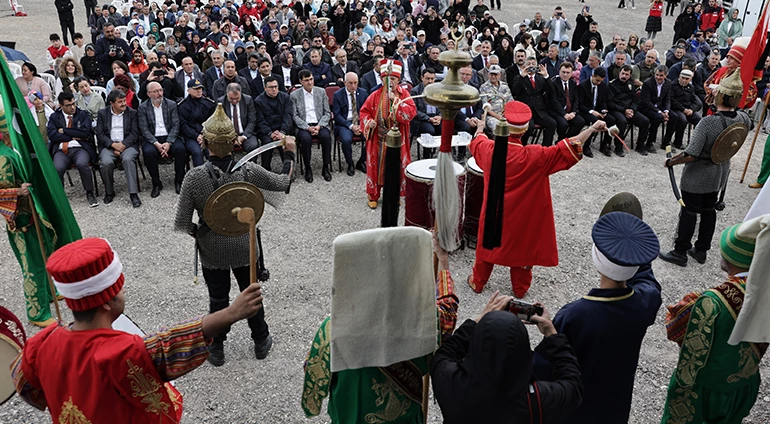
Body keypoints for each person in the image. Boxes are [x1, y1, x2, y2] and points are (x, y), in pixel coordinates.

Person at [10, 237, 265, 422]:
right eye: (118, 286)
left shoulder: (40, 344)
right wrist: (232, 313)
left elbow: (26, 387)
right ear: (109, 300)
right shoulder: (122, 352)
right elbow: (168, 346)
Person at [175, 104, 296, 366]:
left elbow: (183, 223)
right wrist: (290, 154)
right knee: (250, 292)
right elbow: (283, 183)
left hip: (212, 248)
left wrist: (203, 232)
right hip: (245, 244)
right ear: (233, 143)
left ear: (205, 142)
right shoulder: (249, 171)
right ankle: (261, 340)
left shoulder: (194, 177)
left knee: (218, 298)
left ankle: (216, 348)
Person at [302, 227, 460, 422]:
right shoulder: (420, 320)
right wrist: (442, 259)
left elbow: (313, 380)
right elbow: (448, 312)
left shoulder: (331, 330)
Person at [533, 208, 662, 424]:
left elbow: (543, 367)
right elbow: (648, 283)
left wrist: (549, 332)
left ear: (596, 257)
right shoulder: (645, 302)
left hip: (577, 408)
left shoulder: (574, 314)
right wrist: (633, 247)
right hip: (615, 406)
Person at [468, 100, 604, 298]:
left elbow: (478, 140)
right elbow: (570, 145)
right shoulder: (536, 156)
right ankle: (520, 288)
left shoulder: (489, 150)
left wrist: (480, 128)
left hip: (494, 212)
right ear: (524, 130)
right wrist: (591, 128)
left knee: (486, 245)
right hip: (523, 217)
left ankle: (478, 282)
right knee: (523, 246)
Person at [660, 222, 765, 423]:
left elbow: (686, 355)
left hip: (705, 393)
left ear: (732, 258)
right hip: (744, 386)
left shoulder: (713, 301)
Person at [430, 297, 583, 423]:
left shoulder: (450, 382)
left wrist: (478, 320)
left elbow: (444, 353)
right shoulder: (538, 399)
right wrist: (550, 332)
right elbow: (573, 384)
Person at [660, 69, 751, 266]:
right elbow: (746, 128)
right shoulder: (743, 119)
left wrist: (671, 161)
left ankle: (680, 251)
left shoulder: (708, 123)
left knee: (689, 212)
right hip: (719, 174)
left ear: (724, 96)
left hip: (698, 176)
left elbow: (691, 154)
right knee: (709, 210)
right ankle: (701, 250)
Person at [359, 59, 416, 209]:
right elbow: (364, 112)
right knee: (377, 168)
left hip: (398, 140)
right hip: (379, 138)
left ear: (398, 80)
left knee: (395, 168)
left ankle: (394, 195)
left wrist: (396, 101)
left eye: (393, 79)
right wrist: (369, 121)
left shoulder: (404, 94)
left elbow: (411, 113)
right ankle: (373, 195)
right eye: (386, 78)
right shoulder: (374, 95)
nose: (390, 82)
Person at [96, 90, 141, 207]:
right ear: (112, 103)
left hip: (127, 145)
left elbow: (135, 133)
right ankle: (109, 192)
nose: (124, 104)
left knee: (127, 160)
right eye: (120, 102)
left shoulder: (132, 113)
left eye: (124, 100)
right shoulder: (102, 113)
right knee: (105, 163)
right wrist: (113, 145)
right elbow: (100, 134)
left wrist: (122, 145)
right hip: (109, 145)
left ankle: (133, 193)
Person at [138, 81, 180, 198]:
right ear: (148, 94)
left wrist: (169, 142)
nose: (160, 93)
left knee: (180, 149)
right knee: (148, 152)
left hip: (169, 136)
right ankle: (156, 183)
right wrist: (156, 143)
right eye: (156, 91)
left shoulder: (171, 104)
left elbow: (176, 125)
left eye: (161, 90)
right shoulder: (143, 107)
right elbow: (144, 129)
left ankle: (179, 180)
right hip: (153, 138)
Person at [291, 70, 332, 183]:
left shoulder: (321, 92)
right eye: (306, 80)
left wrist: (319, 125)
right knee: (305, 139)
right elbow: (295, 116)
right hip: (304, 126)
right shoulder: (294, 95)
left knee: (326, 137)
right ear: (301, 81)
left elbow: (327, 112)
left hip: (319, 124)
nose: (309, 82)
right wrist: (307, 127)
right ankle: (308, 167)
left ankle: (326, 167)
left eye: (311, 79)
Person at [176, 79, 216, 194]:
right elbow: (183, 126)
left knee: (212, 151)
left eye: (200, 88)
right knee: (197, 152)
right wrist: (196, 136)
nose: (199, 91)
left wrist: (204, 135)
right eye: (196, 89)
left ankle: (215, 178)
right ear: (189, 90)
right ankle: (201, 181)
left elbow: (213, 121)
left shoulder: (209, 103)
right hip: (191, 137)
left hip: (207, 135)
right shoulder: (183, 106)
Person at [510, 57, 559, 147]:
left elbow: (551, 91)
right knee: (529, 127)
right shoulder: (519, 77)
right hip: (525, 110)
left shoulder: (540, 78)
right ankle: (523, 146)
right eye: (528, 64)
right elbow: (514, 92)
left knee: (552, 123)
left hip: (539, 110)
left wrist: (546, 76)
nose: (531, 66)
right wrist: (522, 76)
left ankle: (546, 148)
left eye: (533, 64)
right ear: (524, 66)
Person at [608, 65, 650, 157]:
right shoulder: (612, 85)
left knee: (645, 121)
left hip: (629, 110)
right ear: (619, 73)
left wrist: (632, 109)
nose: (624, 76)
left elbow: (635, 100)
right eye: (623, 73)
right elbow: (610, 103)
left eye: (627, 74)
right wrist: (624, 110)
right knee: (622, 121)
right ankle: (618, 147)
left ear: (630, 76)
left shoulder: (631, 85)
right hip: (617, 109)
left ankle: (640, 145)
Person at [254, 76, 294, 171]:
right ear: (265, 88)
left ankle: (288, 170)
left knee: (285, 142)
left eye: (276, 86)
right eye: (271, 87)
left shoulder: (285, 97)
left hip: (282, 129)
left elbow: (288, 116)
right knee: (267, 143)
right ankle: (266, 170)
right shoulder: (258, 101)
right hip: (267, 131)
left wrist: (282, 132)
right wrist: (270, 133)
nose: (274, 89)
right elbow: (260, 121)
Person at [333, 72, 367, 176]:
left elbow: (367, 111)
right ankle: (350, 163)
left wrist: (361, 125)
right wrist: (351, 126)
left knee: (371, 137)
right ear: (344, 83)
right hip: (345, 124)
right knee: (346, 140)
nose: (353, 86)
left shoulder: (363, 93)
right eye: (350, 83)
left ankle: (361, 161)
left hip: (360, 122)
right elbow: (337, 115)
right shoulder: (338, 95)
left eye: (355, 83)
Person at [577, 67, 613, 158]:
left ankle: (604, 145)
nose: (598, 83)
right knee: (595, 121)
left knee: (611, 120)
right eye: (597, 80)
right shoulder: (583, 85)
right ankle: (586, 146)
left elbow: (604, 101)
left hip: (598, 110)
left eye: (600, 81)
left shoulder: (603, 86)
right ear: (593, 76)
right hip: (585, 111)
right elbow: (580, 104)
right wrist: (592, 111)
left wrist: (604, 110)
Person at [639, 65, 675, 152]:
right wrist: (659, 112)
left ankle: (666, 142)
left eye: (661, 75)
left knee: (674, 117)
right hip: (646, 107)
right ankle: (650, 142)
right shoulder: (648, 83)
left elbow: (667, 99)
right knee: (657, 117)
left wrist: (666, 111)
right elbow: (646, 101)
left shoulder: (668, 83)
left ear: (666, 75)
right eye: (657, 75)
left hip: (659, 106)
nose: (658, 77)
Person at [550, 62, 586, 141]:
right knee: (563, 124)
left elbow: (576, 99)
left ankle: (565, 140)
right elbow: (554, 101)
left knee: (580, 121)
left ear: (571, 73)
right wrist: (564, 114)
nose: (565, 75)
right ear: (559, 72)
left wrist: (573, 112)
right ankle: (562, 140)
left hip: (570, 111)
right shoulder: (554, 83)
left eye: (568, 73)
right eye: (563, 72)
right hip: (557, 111)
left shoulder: (573, 83)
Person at [218, 83, 258, 153]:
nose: (234, 101)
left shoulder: (248, 100)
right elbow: (219, 122)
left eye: (237, 98)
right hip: (227, 135)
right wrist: (231, 138)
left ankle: (251, 164)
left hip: (245, 132)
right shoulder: (221, 102)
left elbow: (252, 120)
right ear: (227, 94)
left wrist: (244, 136)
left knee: (253, 145)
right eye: (231, 98)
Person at [668, 69, 702, 149]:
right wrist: (683, 109)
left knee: (699, 120)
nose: (684, 80)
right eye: (682, 78)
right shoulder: (672, 85)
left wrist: (692, 110)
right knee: (683, 120)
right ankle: (678, 142)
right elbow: (672, 100)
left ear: (690, 79)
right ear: (679, 76)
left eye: (687, 79)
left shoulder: (690, 87)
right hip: (676, 108)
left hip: (688, 109)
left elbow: (694, 100)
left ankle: (694, 142)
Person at [479, 65, 513, 132]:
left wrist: (507, 116)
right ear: (488, 74)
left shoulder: (505, 86)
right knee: (498, 128)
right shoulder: (483, 87)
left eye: (495, 74)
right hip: (491, 116)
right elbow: (486, 108)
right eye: (491, 74)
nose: (493, 76)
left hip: (506, 115)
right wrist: (499, 117)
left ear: (500, 75)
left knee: (516, 127)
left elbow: (511, 102)